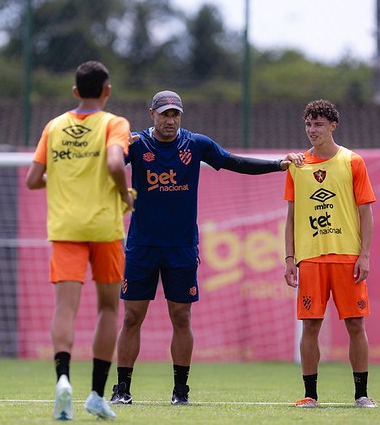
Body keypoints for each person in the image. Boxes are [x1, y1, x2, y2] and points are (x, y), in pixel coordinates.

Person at [109, 90, 302, 406]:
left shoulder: (195, 144)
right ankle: (122, 389)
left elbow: (234, 162)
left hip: (182, 247)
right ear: (151, 114)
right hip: (142, 246)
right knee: (132, 318)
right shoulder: (137, 144)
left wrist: (278, 165)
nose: (170, 120)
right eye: (164, 114)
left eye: (175, 114)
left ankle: (180, 391)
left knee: (181, 317)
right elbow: (110, 163)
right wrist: (116, 142)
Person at [25, 60, 135, 421]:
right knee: (107, 308)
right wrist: (125, 196)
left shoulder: (53, 126)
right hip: (104, 227)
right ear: (107, 90)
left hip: (66, 228)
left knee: (65, 308)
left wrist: (62, 178)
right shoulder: (113, 123)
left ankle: (62, 380)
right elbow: (117, 164)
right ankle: (97, 395)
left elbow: (33, 178)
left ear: (75, 91)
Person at [283, 99, 378, 409]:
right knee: (310, 326)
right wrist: (289, 258)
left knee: (355, 325)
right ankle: (310, 395)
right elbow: (291, 216)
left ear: (333, 126)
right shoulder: (297, 166)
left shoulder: (353, 162)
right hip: (310, 259)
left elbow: (366, 214)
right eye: (309, 124)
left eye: (319, 125)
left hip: (347, 257)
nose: (312, 130)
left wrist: (364, 255)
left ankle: (361, 394)